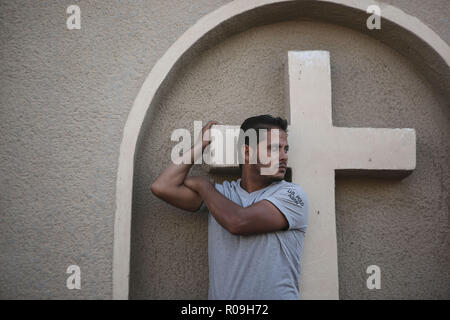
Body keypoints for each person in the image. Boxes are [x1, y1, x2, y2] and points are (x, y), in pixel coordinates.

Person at [151, 114, 309, 299]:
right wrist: (201, 144)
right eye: (274, 148)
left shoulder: (292, 196)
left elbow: (239, 222)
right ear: (247, 153)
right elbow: (162, 186)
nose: (283, 156)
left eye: (285, 149)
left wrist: (204, 186)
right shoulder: (222, 196)